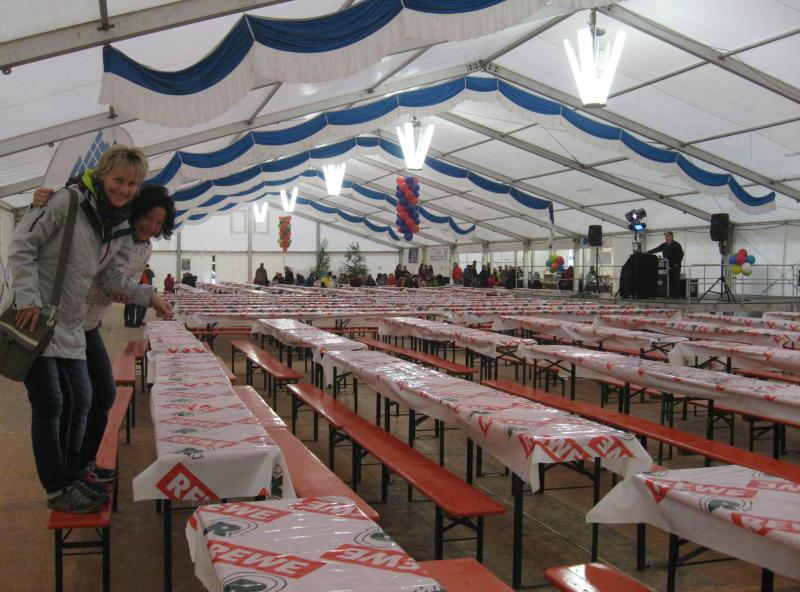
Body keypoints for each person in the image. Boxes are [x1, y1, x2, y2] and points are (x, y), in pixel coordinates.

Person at [10, 146, 172, 513]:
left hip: (71, 322)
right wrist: (27, 298)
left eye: (132, 184)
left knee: (83, 399)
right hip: (37, 317)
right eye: (119, 180)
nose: (124, 189)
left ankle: (74, 473)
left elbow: (108, 277)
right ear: (101, 174)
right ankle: (59, 487)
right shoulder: (68, 202)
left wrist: (149, 296)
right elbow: (22, 244)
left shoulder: (112, 223)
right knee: (52, 401)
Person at [34, 184, 176, 483]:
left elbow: (119, 284)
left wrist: (128, 291)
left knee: (101, 395)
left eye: (159, 223)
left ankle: (84, 463)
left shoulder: (145, 248)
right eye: (148, 218)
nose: (151, 226)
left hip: (90, 323)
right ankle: (67, 476)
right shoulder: (111, 232)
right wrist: (141, 294)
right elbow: (101, 278)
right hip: (65, 323)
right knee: (67, 401)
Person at [648, 231, 684, 298]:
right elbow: (657, 249)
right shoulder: (664, 245)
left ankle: (676, 295)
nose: (666, 237)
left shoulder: (676, 245)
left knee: (675, 280)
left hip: (675, 265)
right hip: (667, 265)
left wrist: (676, 263)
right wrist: (648, 252)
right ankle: (670, 294)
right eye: (665, 236)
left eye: (668, 236)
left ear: (672, 236)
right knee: (669, 280)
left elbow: (681, 254)